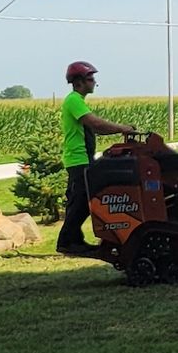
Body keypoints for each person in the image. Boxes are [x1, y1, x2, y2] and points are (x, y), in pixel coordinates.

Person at [57, 60, 119, 257]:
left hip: (83, 158)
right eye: (90, 78)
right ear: (79, 82)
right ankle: (66, 242)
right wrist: (123, 128)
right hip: (78, 159)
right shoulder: (74, 100)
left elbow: (93, 129)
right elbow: (95, 124)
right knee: (80, 201)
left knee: (83, 200)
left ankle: (75, 241)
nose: (94, 81)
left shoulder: (78, 101)